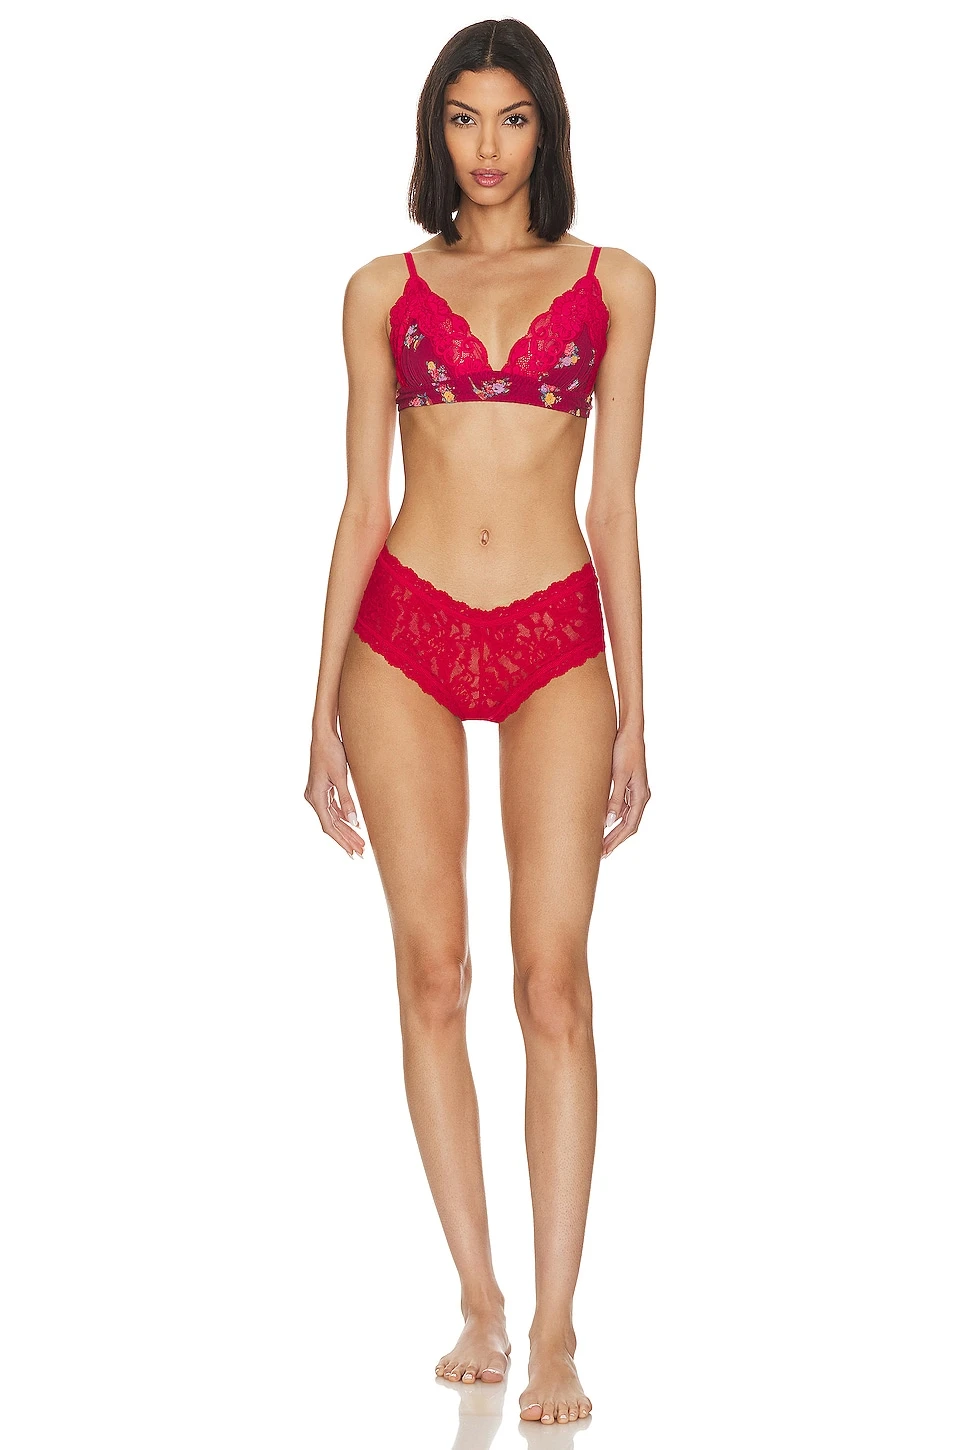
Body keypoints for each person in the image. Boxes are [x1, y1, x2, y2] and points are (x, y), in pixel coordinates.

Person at [305, 17, 655, 1427]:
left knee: (551, 982)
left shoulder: (617, 284)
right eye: (464, 117)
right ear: (434, 132)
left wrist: (639, 710)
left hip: (558, 633)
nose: (488, 145)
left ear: (546, 131)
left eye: (513, 117)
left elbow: (616, 504)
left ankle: (559, 1326)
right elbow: (360, 504)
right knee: (432, 973)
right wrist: (315, 708)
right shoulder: (379, 291)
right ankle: (479, 1298)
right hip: (404, 633)